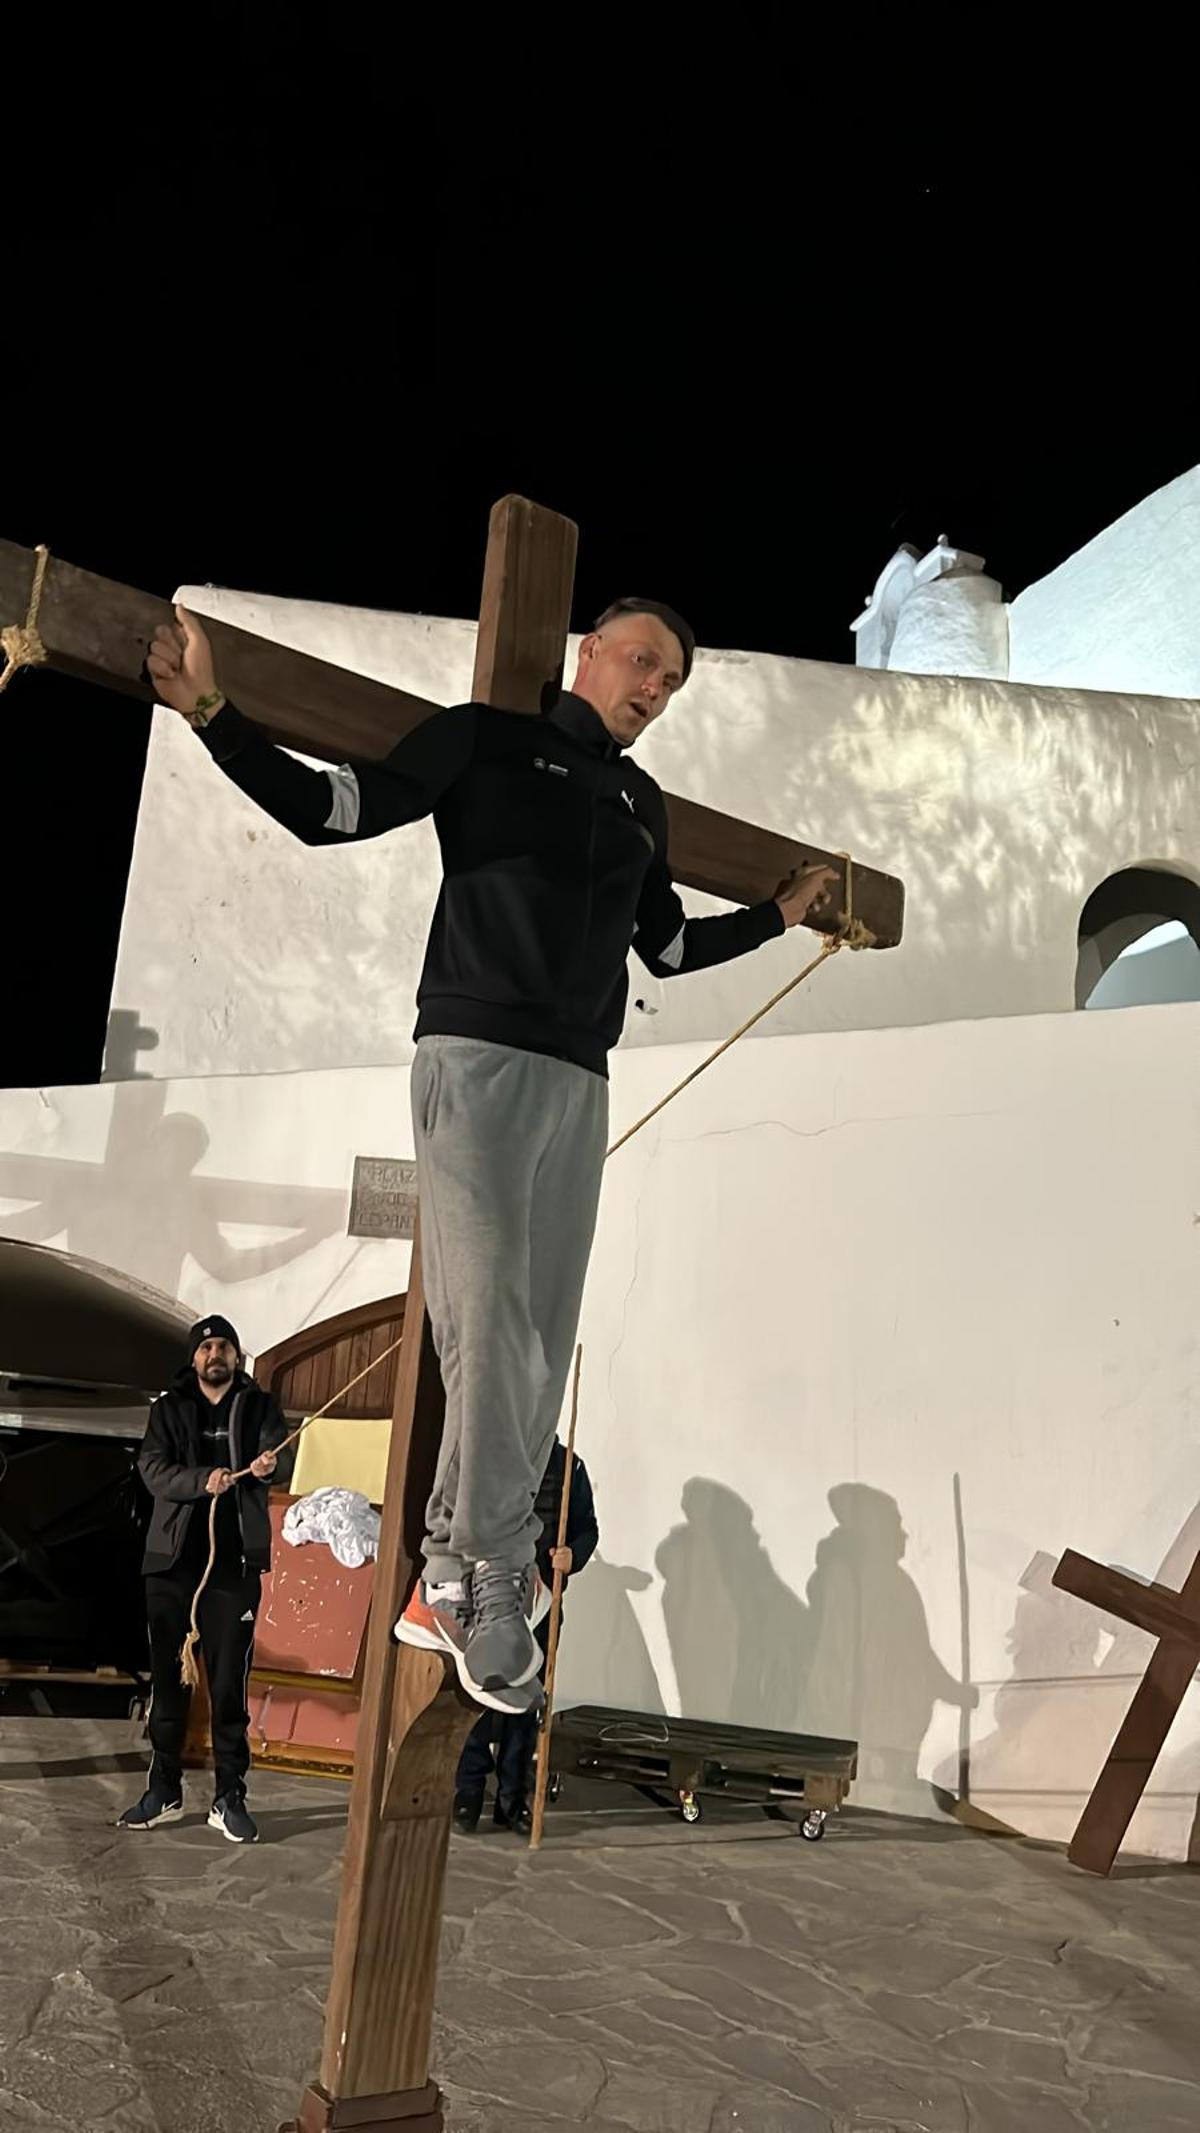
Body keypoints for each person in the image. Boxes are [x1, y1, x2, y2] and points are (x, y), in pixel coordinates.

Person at [147, 599, 836, 1714]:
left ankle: (451, 1572)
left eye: (673, 682)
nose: (656, 690)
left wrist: (775, 917)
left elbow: (662, 944)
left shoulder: (637, 800)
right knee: (489, 1326)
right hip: (474, 1059)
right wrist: (216, 718)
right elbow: (337, 809)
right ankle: (486, 1573)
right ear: (590, 652)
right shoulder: (481, 738)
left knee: (540, 1341)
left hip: (579, 1080)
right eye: (645, 662)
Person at [118, 1315, 288, 1843]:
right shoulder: (168, 1410)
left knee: (227, 1685)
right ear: (194, 1358)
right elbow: (152, 1470)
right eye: (207, 1346)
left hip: (232, 1569)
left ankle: (229, 1796)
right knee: (168, 1686)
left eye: (225, 1347)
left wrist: (266, 1469)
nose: (216, 1354)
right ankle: (164, 1789)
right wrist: (201, 1480)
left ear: (237, 1357)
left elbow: (280, 1454)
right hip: (171, 1567)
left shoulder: (259, 1406)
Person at [454, 1436, 598, 1836]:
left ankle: (513, 1800)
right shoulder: (491, 1455)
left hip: (542, 1602)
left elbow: (587, 1528)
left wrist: (573, 1554)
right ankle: (467, 1792)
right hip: (490, 1598)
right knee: (481, 1695)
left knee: (525, 1702)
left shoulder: (569, 1466)